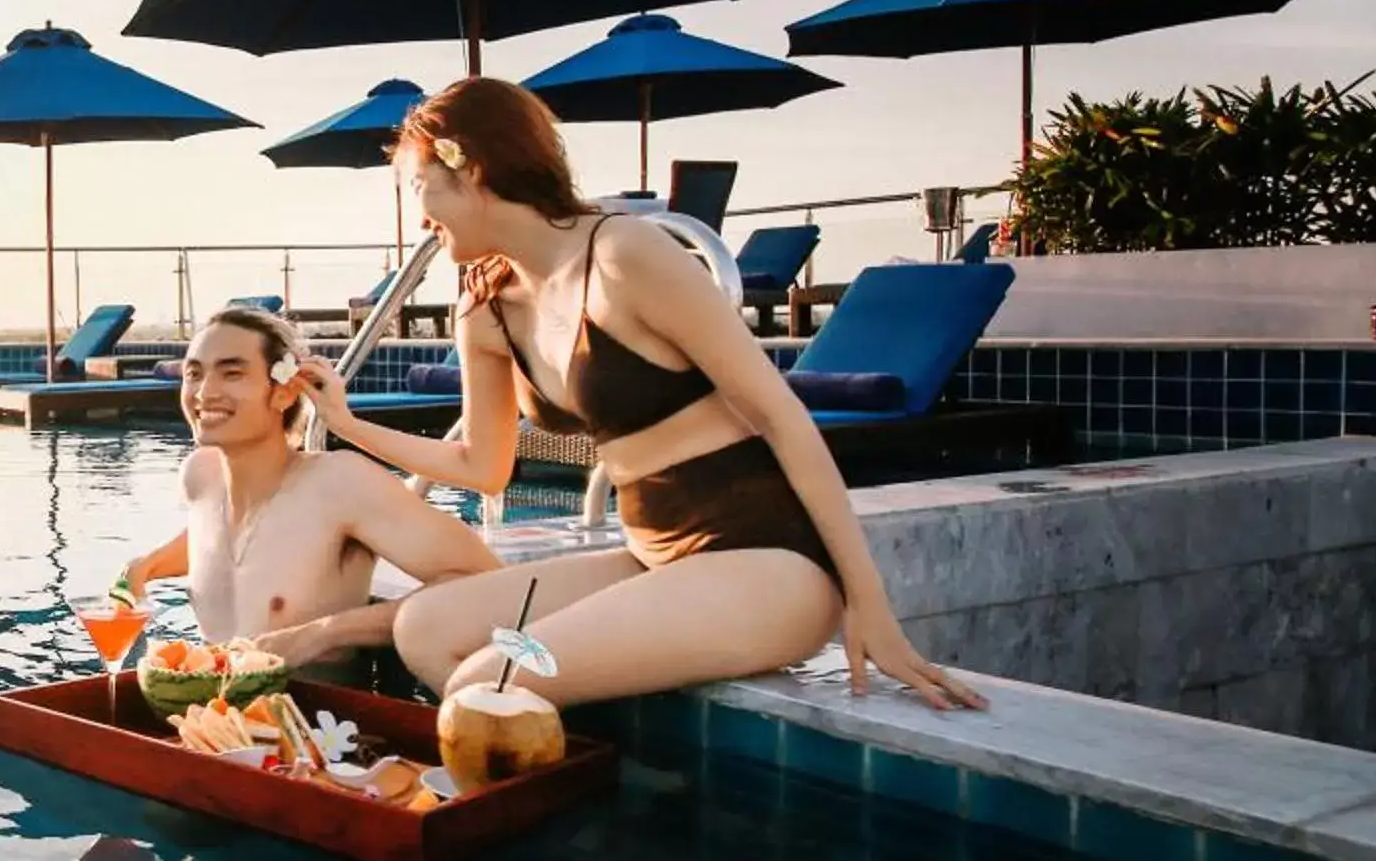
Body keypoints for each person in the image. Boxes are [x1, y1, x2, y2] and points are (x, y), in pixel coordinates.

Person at [291, 76, 981, 713]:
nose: (418, 220)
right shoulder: (486, 308)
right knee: (426, 627)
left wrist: (871, 604)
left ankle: (525, 763)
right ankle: (547, 762)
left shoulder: (625, 255)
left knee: (490, 676)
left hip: (766, 566)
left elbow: (781, 416)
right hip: (651, 559)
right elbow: (482, 466)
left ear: (468, 167)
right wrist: (345, 421)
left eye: (418, 188)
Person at [116, 305, 495, 680]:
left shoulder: (338, 485)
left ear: (283, 393)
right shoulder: (201, 475)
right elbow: (225, 539)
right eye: (193, 373)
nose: (204, 392)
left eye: (232, 373)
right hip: (208, 723)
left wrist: (322, 633)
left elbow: (484, 582)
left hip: (319, 728)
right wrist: (148, 566)